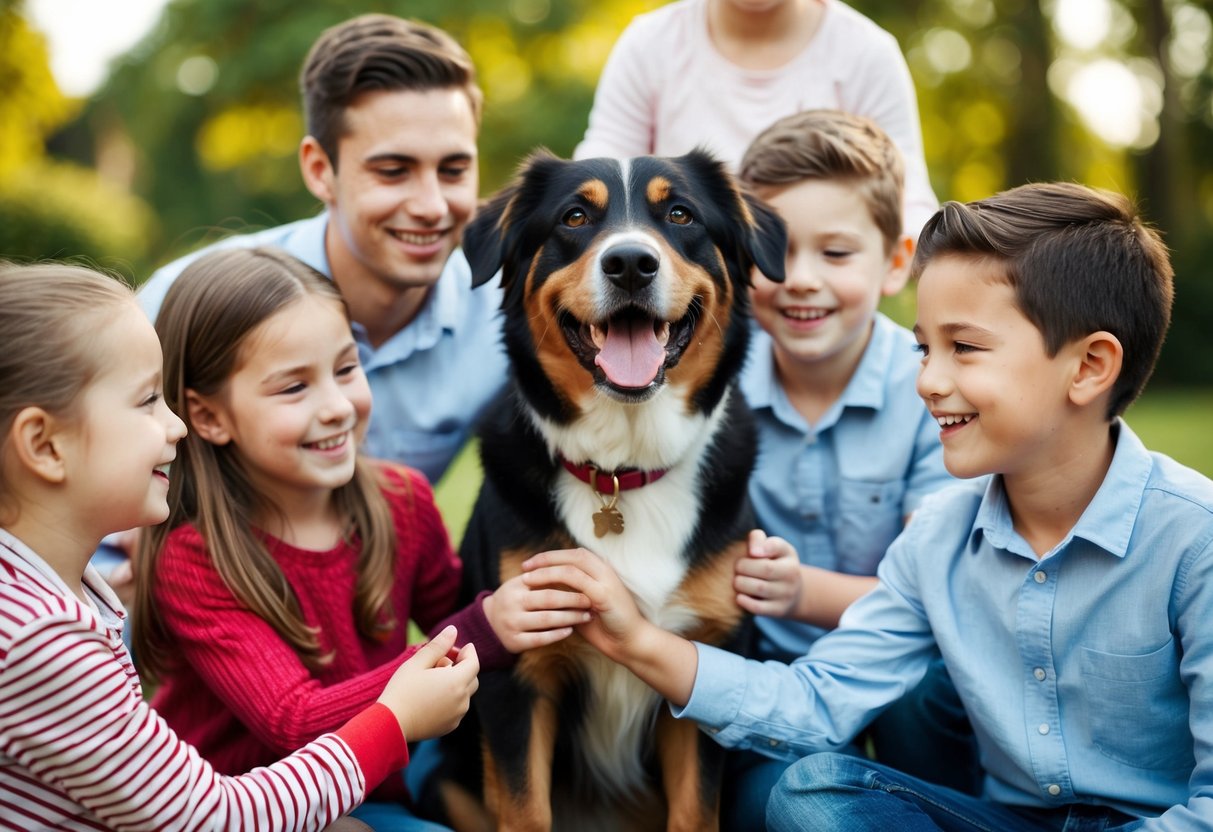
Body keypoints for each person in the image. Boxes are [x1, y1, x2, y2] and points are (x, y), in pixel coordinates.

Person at [522, 182, 1213, 830]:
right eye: (921, 350)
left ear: (1089, 366)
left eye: (963, 349)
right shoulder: (938, 537)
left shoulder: (1193, 540)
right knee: (812, 792)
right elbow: (815, 705)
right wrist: (635, 640)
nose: (928, 382)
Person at [0, 260, 480, 831]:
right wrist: (393, 717)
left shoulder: (49, 594)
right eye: (148, 401)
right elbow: (212, 816)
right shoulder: (41, 636)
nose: (175, 425)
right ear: (44, 446)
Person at [131, 247, 592, 831]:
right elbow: (294, 722)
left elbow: (456, 614)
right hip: (253, 804)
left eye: (346, 369)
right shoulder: (194, 561)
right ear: (209, 416)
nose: (336, 407)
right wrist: (489, 627)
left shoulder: (401, 501)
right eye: (293, 388)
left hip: (376, 783)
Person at [98, 11, 507, 600]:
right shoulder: (179, 305)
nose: (431, 205)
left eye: (454, 169)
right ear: (320, 169)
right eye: (393, 171)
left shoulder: (503, 314)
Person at [721, 108, 965, 826]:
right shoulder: (713, 387)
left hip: (911, 685)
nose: (799, 280)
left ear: (894, 262)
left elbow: (938, 608)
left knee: (935, 692)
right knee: (769, 804)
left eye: (834, 254)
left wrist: (800, 592)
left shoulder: (933, 390)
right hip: (772, 685)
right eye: (775, 250)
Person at [573, 0, 939, 235]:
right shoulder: (651, 44)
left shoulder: (867, 54)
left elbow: (908, 204)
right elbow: (597, 176)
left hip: (820, 308)